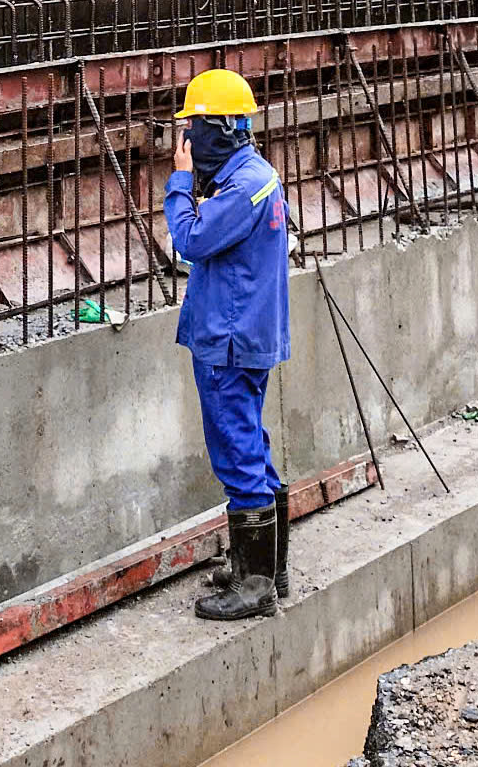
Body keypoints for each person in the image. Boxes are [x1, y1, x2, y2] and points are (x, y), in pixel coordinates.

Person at [164, 69, 292, 621]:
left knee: (236, 452)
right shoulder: (256, 176)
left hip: (228, 341)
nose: (186, 138)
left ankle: (256, 583)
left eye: (192, 126)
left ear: (217, 129)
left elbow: (190, 238)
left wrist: (179, 182)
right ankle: (265, 565)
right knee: (252, 444)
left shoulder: (240, 189)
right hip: (246, 335)